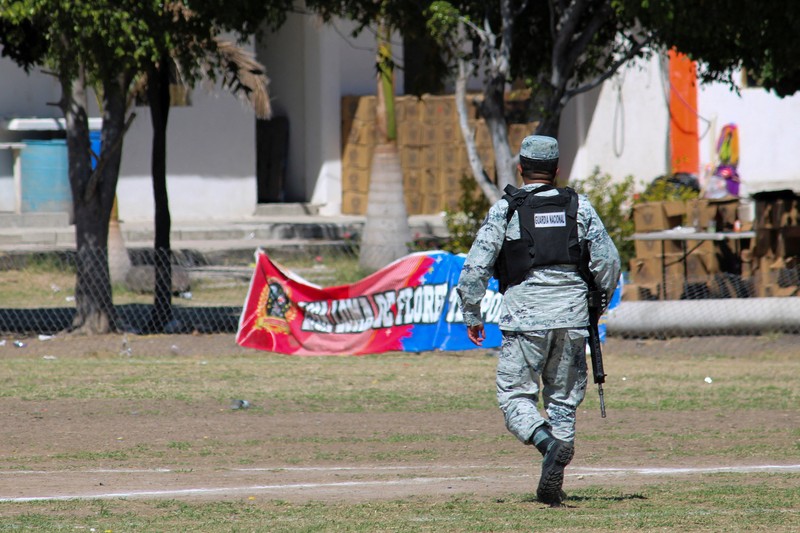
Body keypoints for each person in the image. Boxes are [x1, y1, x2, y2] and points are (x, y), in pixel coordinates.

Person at [456, 135, 621, 506]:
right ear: (557, 170)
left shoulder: (506, 210)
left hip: (525, 318)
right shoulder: (580, 207)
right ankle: (555, 476)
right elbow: (609, 263)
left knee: (515, 396)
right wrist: (599, 302)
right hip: (573, 316)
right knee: (562, 400)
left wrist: (472, 312)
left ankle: (548, 445)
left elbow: (476, 267)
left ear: (520, 168)